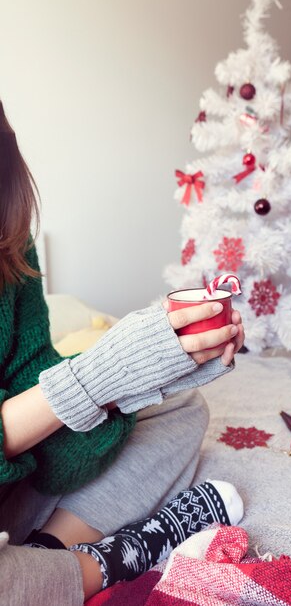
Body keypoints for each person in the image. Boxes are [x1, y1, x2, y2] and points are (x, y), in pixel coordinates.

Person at [0, 100, 245, 605]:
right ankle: (118, 556)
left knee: (178, 408)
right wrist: (94, 380)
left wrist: (140, 375)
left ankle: (48, 551)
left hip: (13, 487)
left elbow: (33, 383)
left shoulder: (10, 241)